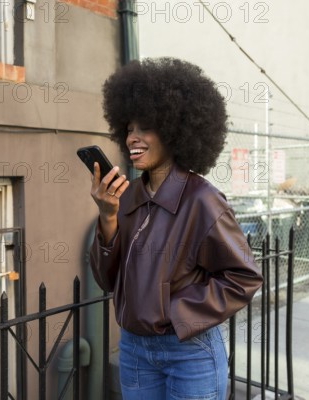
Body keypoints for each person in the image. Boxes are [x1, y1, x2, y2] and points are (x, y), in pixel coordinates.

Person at [88, 57, 263, 400]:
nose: (132, 139)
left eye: (145, 128)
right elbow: (106, 280)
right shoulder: (126, 198)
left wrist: (175, 311)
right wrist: (107, 215)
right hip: (134, 351)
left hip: (189, 351)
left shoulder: (203, 201)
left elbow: (243, 277)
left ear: (174, 129)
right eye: (128, 129)